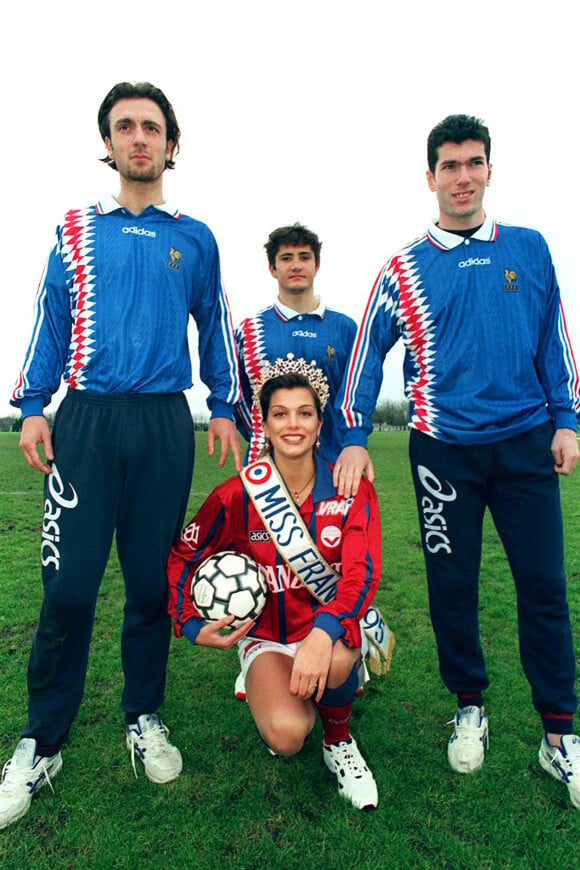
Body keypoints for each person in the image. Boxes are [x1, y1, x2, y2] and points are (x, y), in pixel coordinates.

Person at [0, 81, 242, 830]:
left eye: (151, 127)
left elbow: (217, 325)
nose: (138, 138)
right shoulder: (75, 228)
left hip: (165, 425)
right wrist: (34, 407)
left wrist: (228, 405)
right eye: (124, 127)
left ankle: (144, 718)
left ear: (172, 144)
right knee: (69, 591)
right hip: (89, 423)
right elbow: (49, 318)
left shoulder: (195, 236)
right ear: (108, 144)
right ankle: (42, 741)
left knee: (148, 587)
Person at [334, 114, 580, 807]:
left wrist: (567, 420)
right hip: (444, 452)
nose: (462, 176)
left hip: (527, 442)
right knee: (453, 587)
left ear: (489, 171)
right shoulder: (404, 267)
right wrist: (354, 431)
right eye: (449, 165)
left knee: (543, 586)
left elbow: (553, 342)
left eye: (474, 163)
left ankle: (558, 733)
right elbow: (367, 353)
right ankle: (469, 703)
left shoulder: (528, 250)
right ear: (431, 177)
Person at [167, 358, 381, 810]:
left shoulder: (350, 490)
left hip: (326, 630)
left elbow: (362, 575)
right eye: (280, 413)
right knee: (287, 735)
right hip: (265, 638)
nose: (293, 424)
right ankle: (275, 690)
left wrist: (323, 634)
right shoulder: (237, 495)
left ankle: (339, 739)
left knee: (336, 661)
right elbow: (183, 554)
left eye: (305, 412)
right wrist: (188, 623)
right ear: (264, 423)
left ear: (320, 423)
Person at [235, 223, 357, 465]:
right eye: (286, 258)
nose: (296, 265)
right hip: (268, 470)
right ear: (272, 268)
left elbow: (353, 397)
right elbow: (238, 399)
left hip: (332, 463)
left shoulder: (346, 329)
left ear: (317, 265)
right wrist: (267, 436)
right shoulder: (249, 331)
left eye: (304, 257)